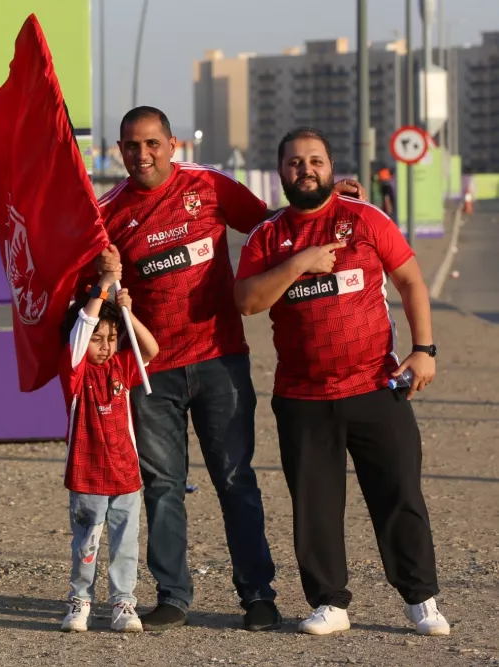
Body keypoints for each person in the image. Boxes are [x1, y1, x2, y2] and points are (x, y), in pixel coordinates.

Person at [95, 106, 365, 631]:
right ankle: (173, 594)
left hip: (221, 360)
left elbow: (279, 227)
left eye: (152, 143)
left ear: (173, 144)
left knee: (237, 481)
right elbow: (96, 292)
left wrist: (330, 201)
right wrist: (105, 280)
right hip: (150, 371)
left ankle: (257, 596)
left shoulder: (211, 186)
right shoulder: (108, 212)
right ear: (119, 151)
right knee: (162, 486)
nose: (142, 154)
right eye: (131, 146)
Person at [234, 126, 449, 637]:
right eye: (294, 162)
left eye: (315, 161)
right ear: (281, 171)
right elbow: (246, 301)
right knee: (315, 506)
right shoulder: (268, 237)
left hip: (377, 386)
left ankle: (421, 599)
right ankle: (330, 602)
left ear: (331, 168)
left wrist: (424, 350)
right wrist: (299, 263)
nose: (305, 169)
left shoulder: (365, 218)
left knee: (399, 495)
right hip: (301, 396)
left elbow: (411, 280)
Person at [58, 245, 159, 634]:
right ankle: (80, 599)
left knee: (126, 542)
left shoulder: (123, 363)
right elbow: (83, 328)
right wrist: (101, 289)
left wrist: (127, 315)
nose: (105, 344)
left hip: (125, 471)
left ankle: (123, 602)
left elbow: (150, 348)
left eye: (111, 338)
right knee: (86, 542)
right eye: (99, 338)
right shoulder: (75, 371)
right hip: (87, 472)